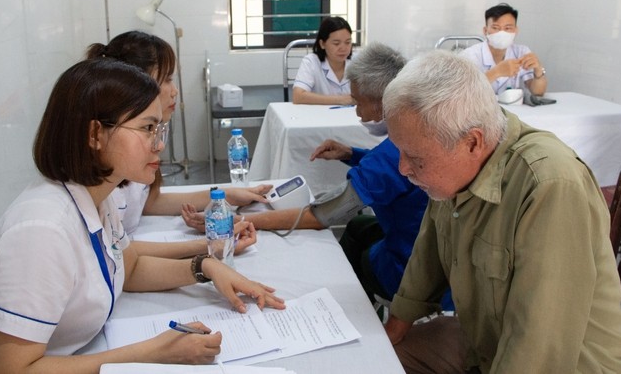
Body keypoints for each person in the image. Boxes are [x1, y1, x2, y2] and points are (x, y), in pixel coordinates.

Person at [0, 59, 284, 374]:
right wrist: (154, 354)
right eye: (147, 128)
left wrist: (205, 267)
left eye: (159, 129)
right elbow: (11, 370)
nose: (159, 144)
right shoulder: (42, 231)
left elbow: (131, 269)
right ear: (95, 134)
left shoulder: (98, 196)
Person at [382, 50, 621, 373]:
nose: (403, 168)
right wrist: (396, 327)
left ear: (473, 143)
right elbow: (428, 251)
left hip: (565, 365)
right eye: (400, 152)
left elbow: (538, 344)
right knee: (377, 357)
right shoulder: (452, 170)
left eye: (416, 158)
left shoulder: (550, 184)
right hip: (485, 345)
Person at [184, 43, 435, 307]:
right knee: (358, 227)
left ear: (384, 101)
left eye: (358, 102)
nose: (357, 112)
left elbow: (320, 216)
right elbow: (389, 169)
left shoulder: (389, 156)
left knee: (363, 260)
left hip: (412, 261)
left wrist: (241, 221)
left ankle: (365, 310)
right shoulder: (418, 132)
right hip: (424, 239)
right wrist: (351, 153)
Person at [86, 31, 271, 257]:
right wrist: (210, 248)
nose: (174, 91)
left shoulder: (132, 151)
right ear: (135, 83)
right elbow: (118, 254)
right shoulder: (107, 173)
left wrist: (226, 196)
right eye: (166, 79)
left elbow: (149, 202)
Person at [460, 2, 547, 96]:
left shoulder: (522, 52)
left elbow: (538, 92)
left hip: (512, 105)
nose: (502, 33)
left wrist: (538, 70)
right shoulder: (469, 55)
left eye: (508, 28)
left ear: (516, 30)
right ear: (485, 31)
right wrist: (496, 72)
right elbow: (462, 93)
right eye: (496, 28)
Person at [292, 16, 354, 105]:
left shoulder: (358, 62)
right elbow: (298, 96)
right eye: (336, 43)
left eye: (348, 42)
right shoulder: (311, 62)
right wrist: (340, 100)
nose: (343, 48)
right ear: (322, 44)